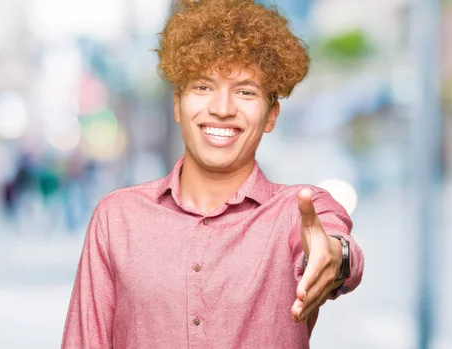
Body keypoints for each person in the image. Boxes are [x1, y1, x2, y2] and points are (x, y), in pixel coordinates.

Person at [61, 0, 364, 348]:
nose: (222, 109)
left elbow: (336, 246)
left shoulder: (298, 211)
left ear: (271, 115)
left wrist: (335, 256)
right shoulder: (117, 218)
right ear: (177, 104)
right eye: (203, 87)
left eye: (245, 92)